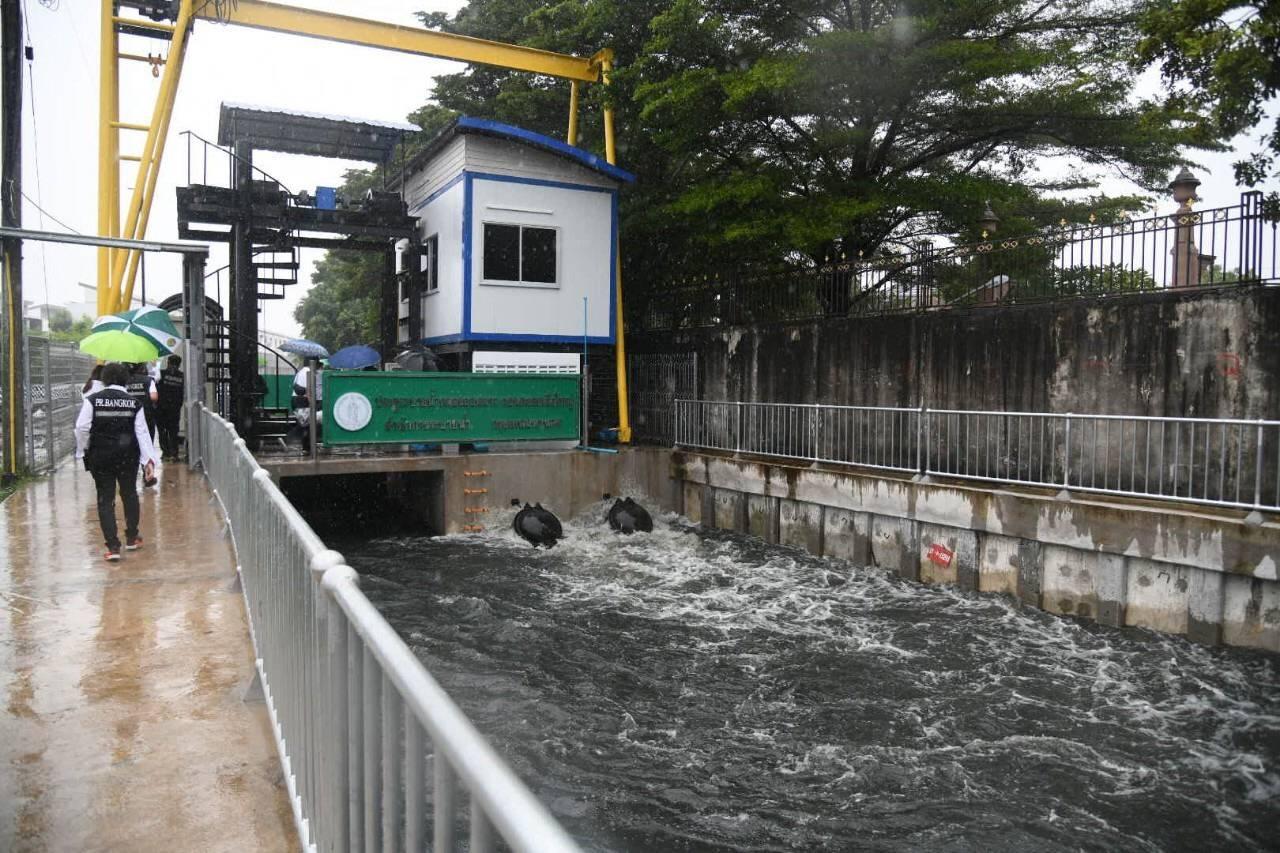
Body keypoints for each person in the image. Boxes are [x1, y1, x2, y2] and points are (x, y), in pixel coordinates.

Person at [75, 362, 160, 561]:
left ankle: (113, 547)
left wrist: (83, 449)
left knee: (105, 498)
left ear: (104, 379)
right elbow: (142, 433)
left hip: (100, 456)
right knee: (129, 494)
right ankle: (131, 537)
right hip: (127, 457)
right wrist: (148, 462)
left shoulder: (92, 400)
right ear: (125, 380)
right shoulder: (134, 403)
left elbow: (81, 427)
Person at [291, 360, 324, 452]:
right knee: (309, 425)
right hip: (303, 401)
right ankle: (307, 447)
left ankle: (307, 447)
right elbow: (309, 390)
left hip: (297, 401)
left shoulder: (301, 372)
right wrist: (312, 403)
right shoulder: (308, 372)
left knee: (307, 425)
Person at [156, 355, 185, 461]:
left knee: (162, 431)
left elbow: (156, 387)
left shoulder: (161, 374)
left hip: (161, 408)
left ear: (168, 362)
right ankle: (174, 453)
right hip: (174, 409)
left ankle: (166, 453)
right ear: (179, 364)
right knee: (173, 431)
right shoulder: (182, 376)